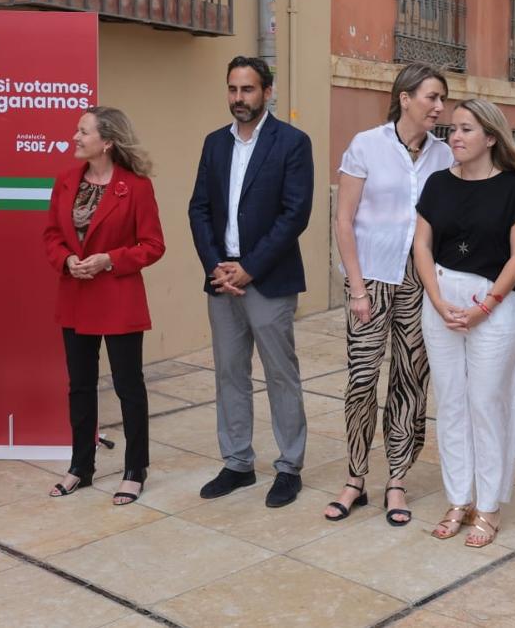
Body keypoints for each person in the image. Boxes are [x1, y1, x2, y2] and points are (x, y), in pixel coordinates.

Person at [327, 62, 455, 524]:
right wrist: (357, 289)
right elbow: (344, 220)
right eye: (432, 97)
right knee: (362, 379)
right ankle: (355, 478)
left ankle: (397, 479)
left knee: (410, 380)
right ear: (405, 98)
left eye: (442, 99)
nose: (439, 107)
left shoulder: (445, 154)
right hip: (371, 278)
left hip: (419, 281)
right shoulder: (367, 145)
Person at [188, 56, 314, 508]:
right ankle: (238, 462)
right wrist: (215, 264)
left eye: (248, 89)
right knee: (229, 373)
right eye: (233, 89)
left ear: (266, 92)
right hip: (222, 280)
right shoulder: (214, 144)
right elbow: (199, 208)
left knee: (280, 374)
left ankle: (289, 466)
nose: (239, 98)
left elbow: (295, 214)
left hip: (268, 279)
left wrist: (251, 267)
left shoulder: (292, 143)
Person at [413, 98, 515, 548]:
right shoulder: (437, 183)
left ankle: (488, 505)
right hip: (441, 300)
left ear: (490, 137)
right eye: (453, 128)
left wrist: (485, 307)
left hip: (494, 305)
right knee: (450, 402)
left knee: (487, 404)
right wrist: (437, 299)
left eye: (466, 129)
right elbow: (421, 246)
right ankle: (458, 499)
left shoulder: (514, 188)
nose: (455, 136)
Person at [43, 107, 165, 504]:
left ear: (107, 141)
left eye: (83, 131)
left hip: (117, 298)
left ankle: (135, 468)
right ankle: (81, 466)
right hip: (75, 296)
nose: (75, 137)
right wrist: (66, 260)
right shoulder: (66, 181)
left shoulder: (136, 187)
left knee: (128, 386)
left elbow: (153, 245)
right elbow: (51, 235)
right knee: (80, 386)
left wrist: (109, 259)